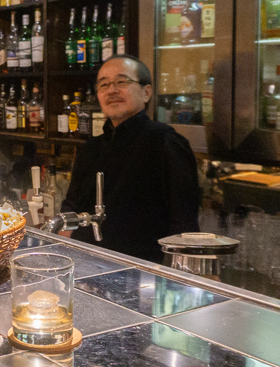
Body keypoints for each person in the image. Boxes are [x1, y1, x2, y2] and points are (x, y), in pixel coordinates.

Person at [61, 55, 200, 263]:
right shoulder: (91, 148)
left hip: (142, 272)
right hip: (85, 265)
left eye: (122, 82)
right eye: (104, 85)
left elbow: (184, 224)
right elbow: (71, 205)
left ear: (146, 93)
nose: (112, 90)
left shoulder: (166, 142)